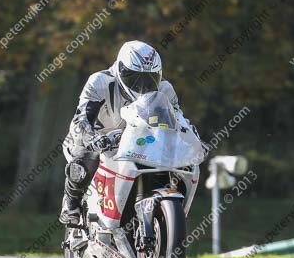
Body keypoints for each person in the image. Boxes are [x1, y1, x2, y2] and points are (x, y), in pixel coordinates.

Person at [59, 40, 194, 225]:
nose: (142, 85)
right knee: (86, 160)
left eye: (150, 79)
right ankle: (71, 200)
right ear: (121, 69)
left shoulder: (165, 89)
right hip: (100, 137)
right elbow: (82, 118)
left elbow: (179, 120)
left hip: (141, 140)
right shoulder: (100, 81)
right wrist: (92, 138)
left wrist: (192, 138)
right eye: (134, 77)